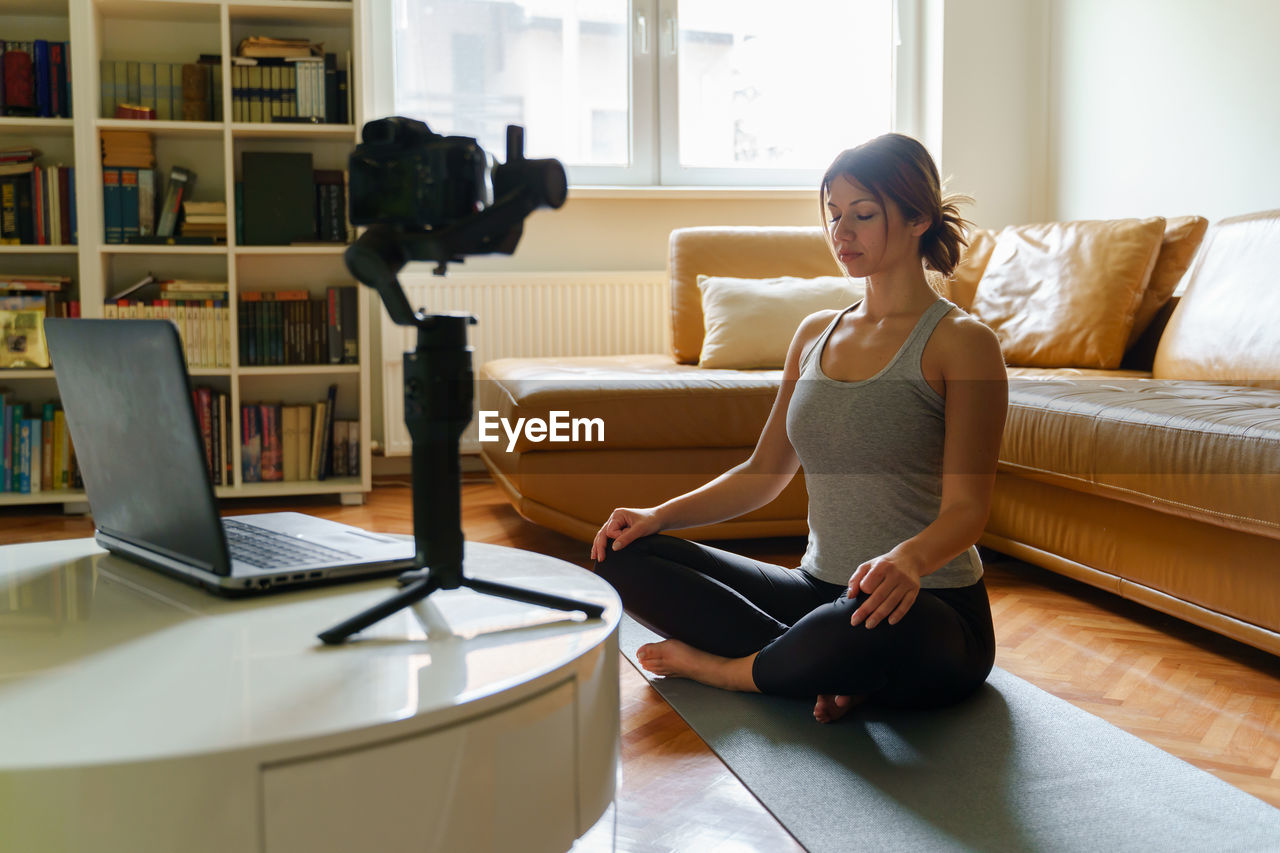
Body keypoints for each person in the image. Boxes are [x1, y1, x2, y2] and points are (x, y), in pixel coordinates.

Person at [590, 133, 1008, 723]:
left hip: (928, 607)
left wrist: (909, 560)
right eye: (834, 215)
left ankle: (727, 671)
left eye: (863, 215)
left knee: (858, 624)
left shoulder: (964, 343)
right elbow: (763, 474)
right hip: (817, 593)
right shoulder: (814, 332)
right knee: (623, 555)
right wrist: (659, 516)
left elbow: (969, 508)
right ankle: (822, 668)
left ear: (918, 217)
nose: (842, 233)